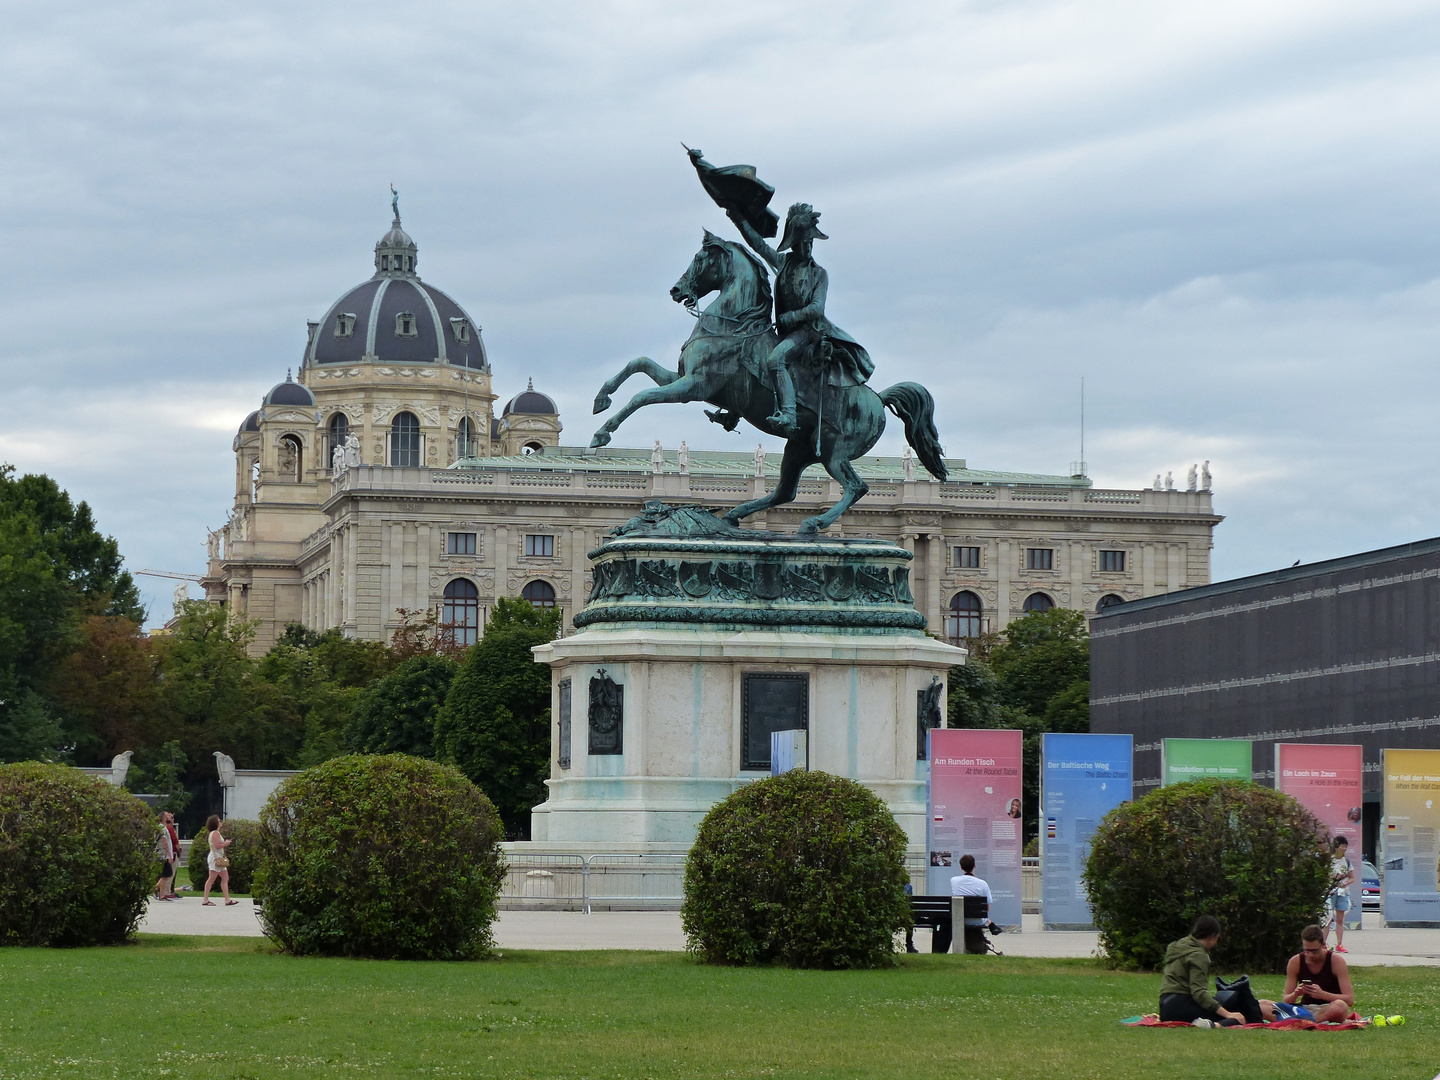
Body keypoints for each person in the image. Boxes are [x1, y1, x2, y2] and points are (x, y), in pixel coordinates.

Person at [1158, 915, 1246, 1026]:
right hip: (1180, 1007)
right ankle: (1212, 1026)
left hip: (1165, 1007)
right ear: (1212, 937)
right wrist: (1227, 1014)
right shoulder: (1199, 956)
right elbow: (1198, 993)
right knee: (1237, 1018)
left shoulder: (1178, 946)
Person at [1282, 924, 1355, 1022]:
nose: (1310, 955)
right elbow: (1286, 1000)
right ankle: (1306, 1021)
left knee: (1340, 1006)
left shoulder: (1336, 961)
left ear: (1323, 945)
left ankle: (1304, 1022)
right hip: (1304, 1009)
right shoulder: (1296, 961)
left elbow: (1349, 1000)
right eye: (1307, 951)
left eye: (1314, 951)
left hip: (1329, 1007)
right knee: (1263, 1004)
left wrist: (1322, 994)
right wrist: (1295, 994)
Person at [950, 854, 995, 954]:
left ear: (961, 867)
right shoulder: (983, 884)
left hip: (959, 920)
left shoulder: (954, 881)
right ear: (974, 866)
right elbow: (987, 908)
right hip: (977, 921)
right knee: (986, 919)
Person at [1325, 837, 1355, 952]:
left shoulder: (1347, 862)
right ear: (1336, 847)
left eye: (1346, 846)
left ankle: (1339, 944)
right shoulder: (1329, 860)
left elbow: (1352, 878)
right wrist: (1332, 879)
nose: (1344, 849)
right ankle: (1323, 943)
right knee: (1327, 918)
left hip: (1342, 892)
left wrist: (1346, 883)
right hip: (1330, 891)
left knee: (1340, 919)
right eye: (1342, 846)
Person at [201, 815, 238, 907]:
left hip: (219, 858)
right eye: (219, 820)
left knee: (225, 877)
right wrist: (225, 843)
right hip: (215, 858)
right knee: (212, 878)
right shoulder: (215, 833)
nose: (220, 821)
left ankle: (227, 899)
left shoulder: (216, 833)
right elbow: (217, 846)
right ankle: (205, 899)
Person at [154, 811, 178, 901]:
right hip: (164, 855)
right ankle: (156, 889)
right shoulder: (163, 829)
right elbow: (164, 841)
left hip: (161, 854)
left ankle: (162, 894)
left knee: (165, 874)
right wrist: (169, 855)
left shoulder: (159, 827)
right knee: (166, 875)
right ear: (163, 818)